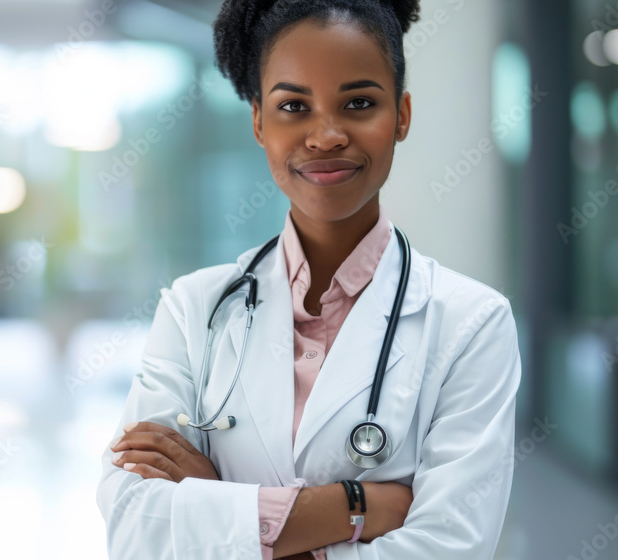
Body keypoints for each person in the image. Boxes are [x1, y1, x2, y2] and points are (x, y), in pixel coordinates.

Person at [96, 1, 522, 558]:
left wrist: (218, 506)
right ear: (257, 122)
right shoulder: (193, 308)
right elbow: (136, 527)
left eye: (359, 103)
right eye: (294, 105)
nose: (324, 136)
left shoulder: (473, 325)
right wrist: (357, 505)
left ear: (401, 116)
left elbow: (450, 548)